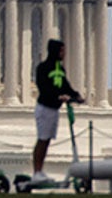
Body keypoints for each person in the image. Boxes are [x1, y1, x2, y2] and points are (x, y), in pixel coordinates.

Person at [32, 38, 83, 173]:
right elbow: (43, 87)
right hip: (44, 108)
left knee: (47, 140)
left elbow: (65, 86)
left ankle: (40, 170)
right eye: (61, 51)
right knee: (42, 140)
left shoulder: (59, 68)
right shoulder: (43, 68)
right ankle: (37, 171)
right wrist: (57, 96)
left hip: (54, 109)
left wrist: (75, 95)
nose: (64, 53)